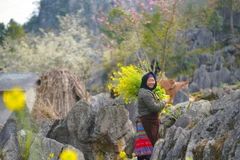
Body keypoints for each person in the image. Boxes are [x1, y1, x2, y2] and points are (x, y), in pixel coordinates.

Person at [137, 71, 167, 147]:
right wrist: (164, 102)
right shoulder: (146, 93)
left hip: (148, 120)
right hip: (149, 122)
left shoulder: (145, 91)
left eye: (153, 80)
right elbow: (155, 108)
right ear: (145, 81)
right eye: (149, 80)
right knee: (154, 144)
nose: (152, 82)